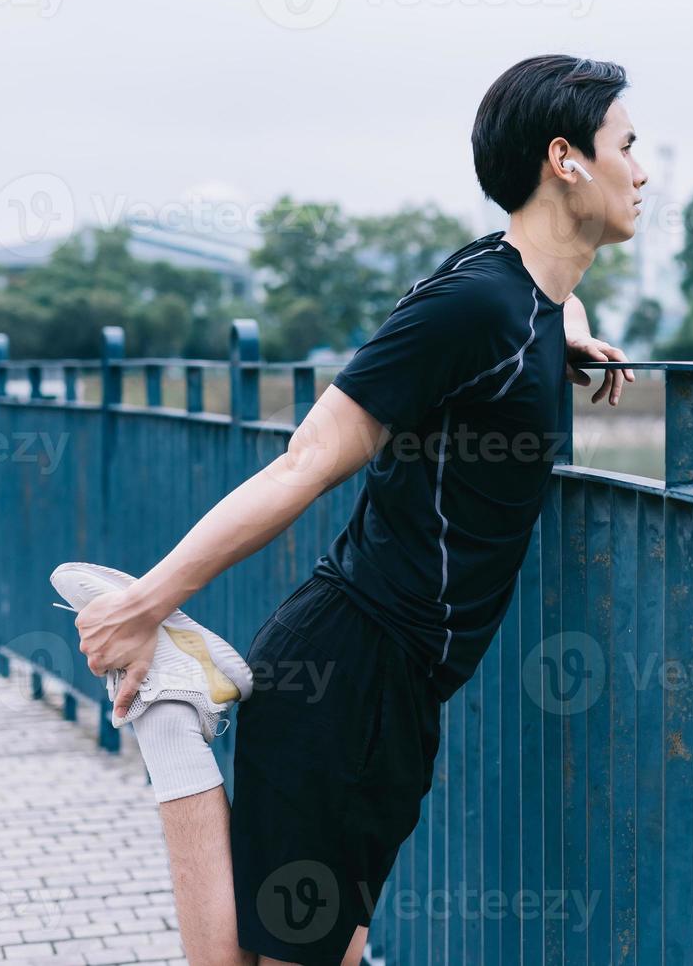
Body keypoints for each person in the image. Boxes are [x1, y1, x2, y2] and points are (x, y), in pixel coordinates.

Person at [57, 54, 645, 966]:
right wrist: (143, 605)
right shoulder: (480, 304)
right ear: (566, 160)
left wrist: (569, 329)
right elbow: (306, 460)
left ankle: (176, 709)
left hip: (386, 685)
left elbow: (526, 306)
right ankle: (170, 704)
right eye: (628, 146)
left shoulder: (516, 293)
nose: (643, 172)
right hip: (356, 675)